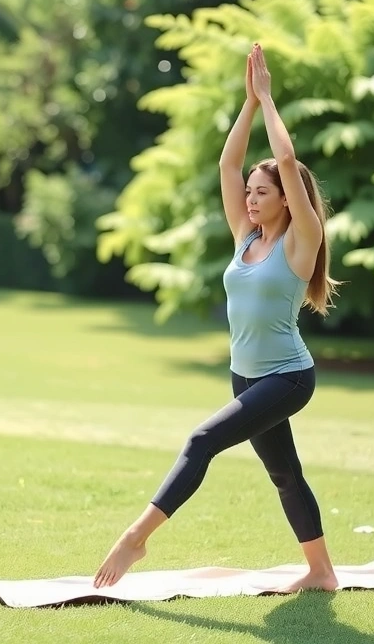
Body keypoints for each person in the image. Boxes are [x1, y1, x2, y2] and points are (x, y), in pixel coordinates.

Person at [93, 43, 342, 593]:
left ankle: (137, 537)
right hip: (245, 374)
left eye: (262, 192)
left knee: (201, 440)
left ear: (286, 198)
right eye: (249, 193)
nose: (250, 199)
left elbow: (288, 163)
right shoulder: (244, 237)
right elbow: (228, 164)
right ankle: (322, 572)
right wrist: (248, 104)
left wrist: (270, 100)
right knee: (284, 473)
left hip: (286, 377)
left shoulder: (302, 243)